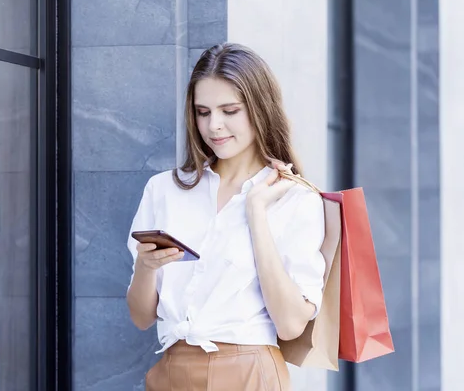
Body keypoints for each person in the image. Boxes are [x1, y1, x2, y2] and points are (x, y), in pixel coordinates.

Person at [126, 43, 326, 391]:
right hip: (173, 369)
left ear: (260, 109)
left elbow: (291, 325)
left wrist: (256, 212)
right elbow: (141, 317)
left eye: (229, 110)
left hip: (249, 372)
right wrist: (146, 267)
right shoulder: (164, 190)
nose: (214, 126)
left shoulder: (296, 199)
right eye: (203, 112)